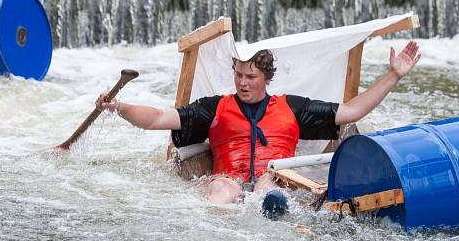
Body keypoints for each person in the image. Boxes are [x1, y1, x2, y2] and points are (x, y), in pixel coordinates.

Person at [96, 41, 421, 205]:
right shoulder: (214, 108)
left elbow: (351, 111)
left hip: (274, 181)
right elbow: (156, 118)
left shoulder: (293, 107)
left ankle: (273, 212)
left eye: (251, 76)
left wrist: (393, 74)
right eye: (238, 75)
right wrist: (119, 106)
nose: (243, 82)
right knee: (221, 188)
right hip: (229, 181)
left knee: (269, 186)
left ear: (266, 77)